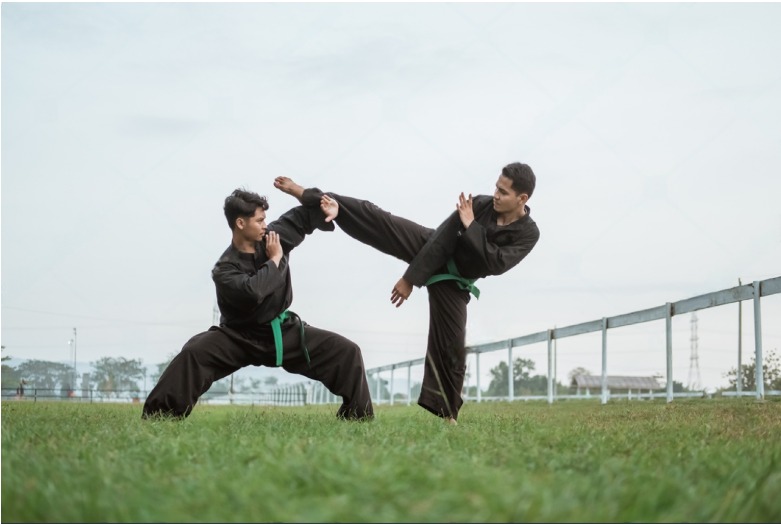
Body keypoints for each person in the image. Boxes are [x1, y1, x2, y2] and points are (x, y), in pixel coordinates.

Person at [274, 162, 539, 424]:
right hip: (433, 248)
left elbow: (495, 263)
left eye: (503, 192)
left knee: (453, 347)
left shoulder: (528, 233)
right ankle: (323, 202)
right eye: (496, 187)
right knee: (381, 219)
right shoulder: (480, 204)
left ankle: (449, 415)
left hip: (456, 282)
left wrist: (471, 226)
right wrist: (411, 278)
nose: (496, 195)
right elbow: (444, 237)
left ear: (522, 198)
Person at [142, 187, 374, 420]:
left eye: (265, 219)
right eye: (260, 220)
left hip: (282, 331)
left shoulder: (274, 237)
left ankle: (358, 418)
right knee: (193, 353)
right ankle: (159, 417)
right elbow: (254, 291)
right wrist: (275, 259)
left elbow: (307, 214)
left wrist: (300, 191)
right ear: (240, 223)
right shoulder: (224, 269)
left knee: (347, 351)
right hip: (238, 336)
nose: (265, 225)